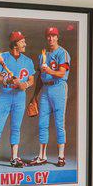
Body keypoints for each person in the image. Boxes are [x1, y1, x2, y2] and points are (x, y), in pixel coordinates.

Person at [0, 30, 34, 172]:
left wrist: (25, 85)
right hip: (5, 96)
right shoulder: (2, 56)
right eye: (22, 42)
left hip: (20, 98)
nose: (25, 44)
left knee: (16, 128)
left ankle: (14, 158)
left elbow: (31, 79)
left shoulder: (27, 61)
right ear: (15, 44)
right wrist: (6, 79)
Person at [33, 25, 72, 168]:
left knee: (59, 123)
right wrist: (35, 95)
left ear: (57, 36)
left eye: (53, 35)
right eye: (48, 36)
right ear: (46, 37)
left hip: (58, 87)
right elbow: (39, 77)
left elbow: (62, 73)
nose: (51, 38)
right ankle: (42, 156)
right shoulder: (42, 55)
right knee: (42, 123)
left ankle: (61, 156)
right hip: (45, 88)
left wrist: (49, 70)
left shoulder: (63, 53)